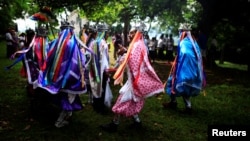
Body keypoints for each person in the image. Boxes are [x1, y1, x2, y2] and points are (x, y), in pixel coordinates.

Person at [100, 25, 164, 132]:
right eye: (129, 33)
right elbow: (132, 57)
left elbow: (133, 61)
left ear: (138, 33)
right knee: (132, 102)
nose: (130, 35)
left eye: (132, 33)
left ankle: (114, 125)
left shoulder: (137, 45)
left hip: (134, 81)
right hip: (133, 80)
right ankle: (137, 123)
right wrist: (125, 52)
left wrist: (123, 57)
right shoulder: (138, 44)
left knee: (121, 102)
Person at [162, 23, 206, 114]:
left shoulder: (184, 42)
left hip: (184, 70)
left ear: (183, 32)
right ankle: (186, 106)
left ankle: (175, 103)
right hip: (193, 71)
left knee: (173, 82)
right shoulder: (193, 42)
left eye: (180, 31)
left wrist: (180, 63)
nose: (179, 33)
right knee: (185, 88)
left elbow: (186, 54)